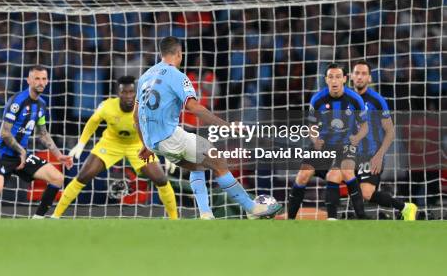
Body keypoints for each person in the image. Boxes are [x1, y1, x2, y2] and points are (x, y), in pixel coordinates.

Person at [134, 36, 281, 219]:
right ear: (179, 53)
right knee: (218, 161)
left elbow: (135, 116)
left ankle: (206, 214)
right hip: (171, 136)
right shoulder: (178, 77)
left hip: (155, 142)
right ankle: (253, 209)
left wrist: (146, 144)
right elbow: (195, 108)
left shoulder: (145, 77)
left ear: (161, 53)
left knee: (198, 166)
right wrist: (228, 126)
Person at [53, 76, 178, 219]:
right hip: (110, 144)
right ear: (118, 93)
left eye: (131, 92)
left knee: (161, 179)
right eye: (124, 92)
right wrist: (81, 143)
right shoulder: (107, 106)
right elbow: (93, 122)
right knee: (83, 176)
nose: (128, 96)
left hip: (137, 146)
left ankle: (174, 219)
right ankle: (55, 216)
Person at [0, 65, 73, 218]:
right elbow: (4, 133)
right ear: (28, 80)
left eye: (44, 79)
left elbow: (42, 134)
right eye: (37, 78)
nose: (41, 82)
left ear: (48, 81)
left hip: (21, 155)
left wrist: (59, 155)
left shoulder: (42, 105)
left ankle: (38, 219)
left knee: (57, 178)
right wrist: (21, 151)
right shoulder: (17, 102)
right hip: (3, 153)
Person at [287, 63, 369, 220]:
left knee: (346, 172)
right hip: (323, 144)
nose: (334, 81)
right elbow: (311, 126)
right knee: (303, 175)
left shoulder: (355, 100)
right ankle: (290, 220)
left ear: (344, 79)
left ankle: (362, 217)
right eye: (331, 77)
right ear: (326, 80)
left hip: (346, 144)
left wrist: (357, 138)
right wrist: (314, 139)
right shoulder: (317, 99)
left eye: (338, 77)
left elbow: (365, 127)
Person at [350, 60, 417, 220]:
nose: (360, 77)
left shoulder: (376, 100)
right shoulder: (345, 99)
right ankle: (358, 218)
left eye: (364, 73)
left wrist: (379, 155)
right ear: (351, 76)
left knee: (366, 193)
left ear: (370, 78)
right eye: (357, 73)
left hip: (371, 154)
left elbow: (390, 131)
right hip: (351, 154)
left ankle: (405, 207)